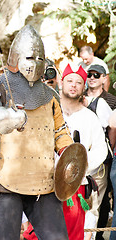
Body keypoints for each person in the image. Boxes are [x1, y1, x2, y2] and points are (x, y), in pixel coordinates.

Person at [0, 25, 73, 240]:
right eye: (29, 57)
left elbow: (60, 131)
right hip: (4, 181)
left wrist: (69, 155)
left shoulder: (50, 95)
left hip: (43, 181)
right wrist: (2, 120)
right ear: (16, 58)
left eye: (39, 58)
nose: (34, 63)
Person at [60, 63, 108, 240]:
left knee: (78, 234)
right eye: (69, 81)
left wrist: (82, 166)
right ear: (61, 83)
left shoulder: (90, 117)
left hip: (79, 186)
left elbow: (100, 149)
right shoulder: (50, 114)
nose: (73, 85)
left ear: (83, 88)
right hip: (48, 187)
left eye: (78, 82)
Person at [84, 64, 114, 240]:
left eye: (97, 75)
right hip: (79, 160)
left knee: (97, 204)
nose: (92, 77)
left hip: (101, 160)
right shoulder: (78, 98)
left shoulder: (109, 100)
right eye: (89, 74)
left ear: (104, 78)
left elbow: (112, 127)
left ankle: (96, 236)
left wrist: (108, 148)